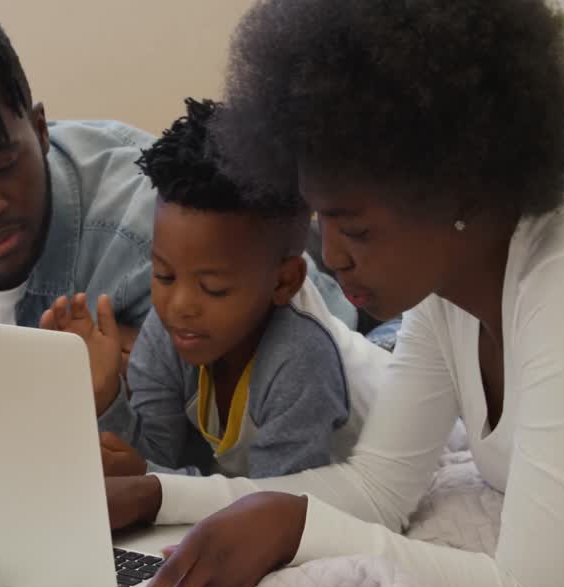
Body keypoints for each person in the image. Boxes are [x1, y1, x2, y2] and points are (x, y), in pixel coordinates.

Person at [114, 0, 564, 587]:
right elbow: (379, 486)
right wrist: (161, 496)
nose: (331, 258)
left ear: (459, 192)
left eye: (356, 230)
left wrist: (298, 527)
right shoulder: (448, 283)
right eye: (322, 222)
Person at [0, 0, 358, 362]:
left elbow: (338, 342)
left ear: (39, 130)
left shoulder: (148, 226)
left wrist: (145, 359)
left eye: (1, 164)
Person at [41, 99, 393, 506]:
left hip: (397, 380)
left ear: (285, 281)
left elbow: (275, 506)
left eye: (214, 288)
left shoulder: (301, 361)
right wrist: (105, 395)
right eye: (164, 275)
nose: (180, 305)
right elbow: (156, 456)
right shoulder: (168, 331)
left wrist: (148, 481)